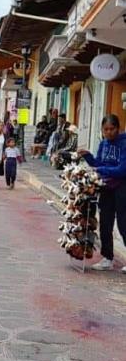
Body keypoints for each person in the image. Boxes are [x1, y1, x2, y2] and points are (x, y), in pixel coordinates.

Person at [78, 114, 126, 272]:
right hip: (105, 187)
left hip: (122, 187)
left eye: (112, 129)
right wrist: (88, 157)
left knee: (123, 223)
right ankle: (107, 257)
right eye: (106, 129)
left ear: (118, 128)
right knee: (105, 223)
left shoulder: (124, 143)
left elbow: (122, 170)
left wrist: (101, 170)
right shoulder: (103, 144)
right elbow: (98, 163)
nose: (109, 132)